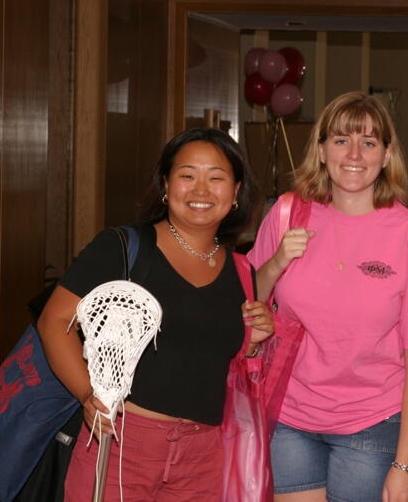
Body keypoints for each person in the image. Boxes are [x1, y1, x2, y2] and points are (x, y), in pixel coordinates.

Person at [38, 128, 274, 501]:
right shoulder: (122, 248)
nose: (201, 190)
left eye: (216, 178)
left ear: (236, 192)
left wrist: (254, 340)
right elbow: (54, 321)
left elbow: (212, 358)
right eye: (187, 175)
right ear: (166, 184)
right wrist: (88, 395)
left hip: (203, 457)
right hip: (121, 443)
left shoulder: (242, 272)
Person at [248, 91, 408, 502]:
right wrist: (274, 263)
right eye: (342, 140)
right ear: (322, 150)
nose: (355, 154)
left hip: (372, 422)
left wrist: (405, 465)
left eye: (369, 142)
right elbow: (248, 301)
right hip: (289, 415)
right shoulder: (288, 213)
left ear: (386, 153)